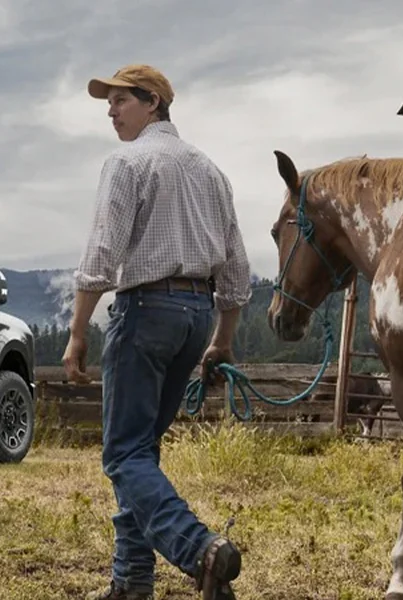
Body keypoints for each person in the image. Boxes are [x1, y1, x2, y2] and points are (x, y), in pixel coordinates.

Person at [62, 64, 252, 600]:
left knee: (123, 455)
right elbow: (236, 270)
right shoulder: (211, 171)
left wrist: (78, 332)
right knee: (141, 450)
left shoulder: (127, 162)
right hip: (195, 317)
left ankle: (201, 550)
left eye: (120, 100)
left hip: (146, 310)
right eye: (109, 102)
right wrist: (222, 338)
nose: (110, 110)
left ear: (153, 103)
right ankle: (131, 581)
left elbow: (101, 255)